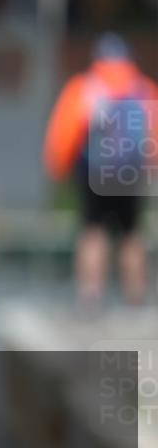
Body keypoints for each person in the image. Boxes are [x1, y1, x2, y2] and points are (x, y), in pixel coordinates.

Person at [43, 33, 157, 312]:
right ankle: (136, 295)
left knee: (93, 230)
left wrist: (58, 170)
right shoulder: (143, 88)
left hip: (94, 173)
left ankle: (91, 296)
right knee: (132, 232)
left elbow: (64, 135)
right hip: (131, 173)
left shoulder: (84, 88)